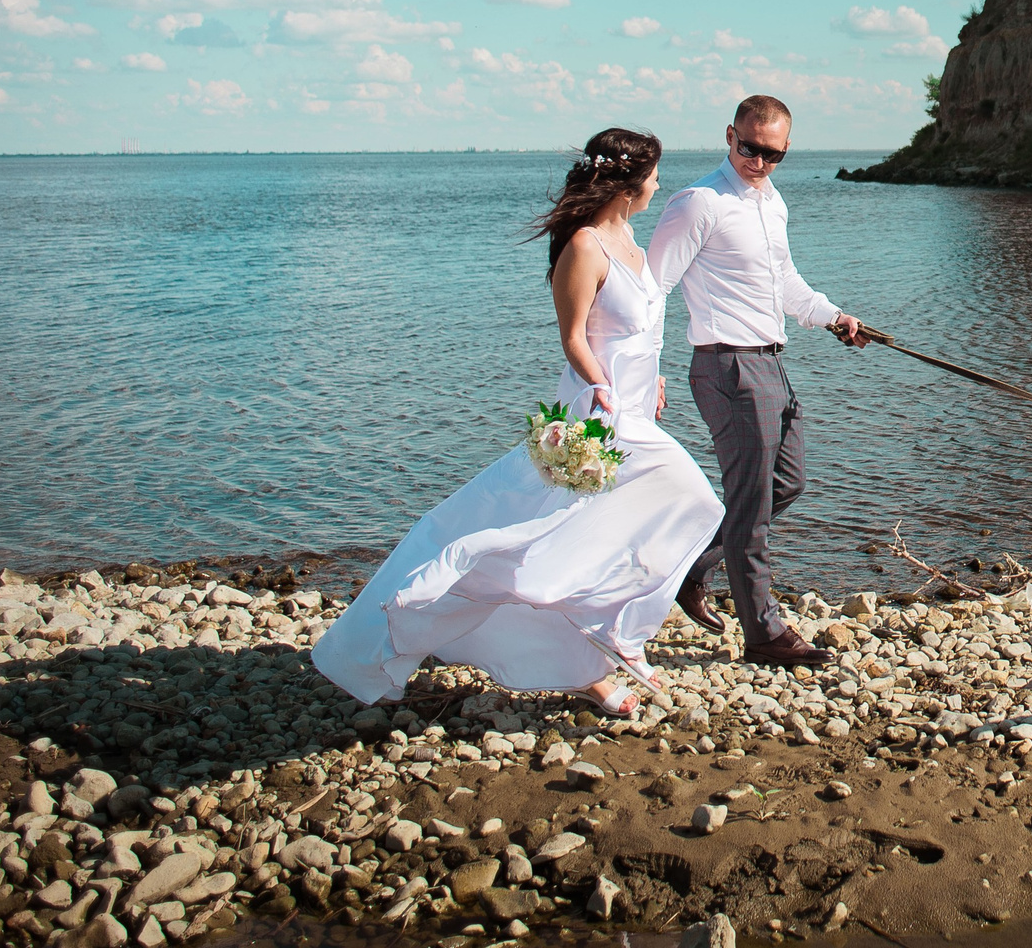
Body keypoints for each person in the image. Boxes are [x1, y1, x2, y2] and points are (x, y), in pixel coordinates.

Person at [313, 128, 724, 717]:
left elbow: (641, 328)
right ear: (629, 183)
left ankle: (596, 651)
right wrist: (603, 390)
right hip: (599, 411)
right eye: (655, 175)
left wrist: (653, 375)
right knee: (679, 500)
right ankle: (583, 635)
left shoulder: (630, 237)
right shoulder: (584, 246)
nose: (660, 184)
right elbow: (574, 337)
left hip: (635, 400)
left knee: (594, 530)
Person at [649, 93, 868, 667]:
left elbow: (784, 281)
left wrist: (834, 317)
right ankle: (764, 634)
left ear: (786, 150)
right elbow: (653, 289)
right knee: (749, 502)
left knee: (787, 483)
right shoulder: (699, 202)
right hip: (726, 365)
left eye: (773, 154)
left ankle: (693, 568)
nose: (760, 162)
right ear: (729, 135)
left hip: (770, 360)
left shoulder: (771, 203)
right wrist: (649, 370)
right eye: (750, 149)